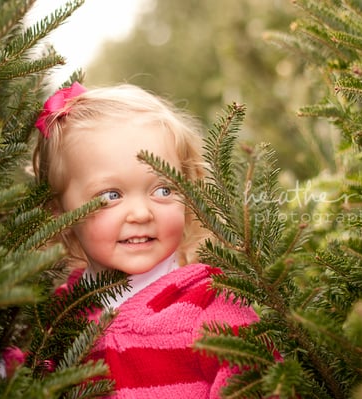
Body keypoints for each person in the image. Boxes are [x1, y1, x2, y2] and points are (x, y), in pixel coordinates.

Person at [32, 82, 258, 398]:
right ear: (60, 212)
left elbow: (259, 384)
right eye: (111, 195)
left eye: (163, 190)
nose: (140, 213)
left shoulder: (211, 304)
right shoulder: (57, 319)